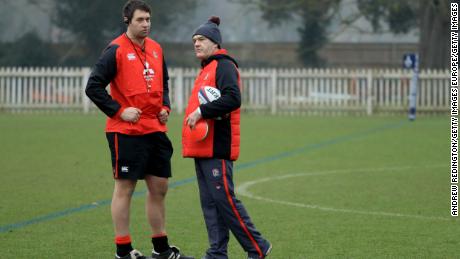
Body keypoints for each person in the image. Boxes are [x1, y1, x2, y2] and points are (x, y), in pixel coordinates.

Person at [85, 1, 194, 259]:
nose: (146, 24)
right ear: (127, 21)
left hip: (155, 130)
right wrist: (119, 111)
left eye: (148, 19)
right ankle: (123, 250)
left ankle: (161, 249)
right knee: (125, 189)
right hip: (126, 132)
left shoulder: (156, 49)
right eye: (140, 20)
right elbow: (94, 87)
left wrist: (165, 105)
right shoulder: (115, 50)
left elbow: (163, 82)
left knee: (159, 187)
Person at [183, 16, 272, 259]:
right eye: (194, 40)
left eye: (201, 39)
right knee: (210, 205)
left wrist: (200, 111)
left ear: (215, 42)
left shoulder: (223, 66)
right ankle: (217, 253)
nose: (196, 44)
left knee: (225, 201)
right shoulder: (206, 68)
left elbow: (233, 98)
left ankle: (258, 247)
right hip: (202, 149)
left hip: (217, 148)